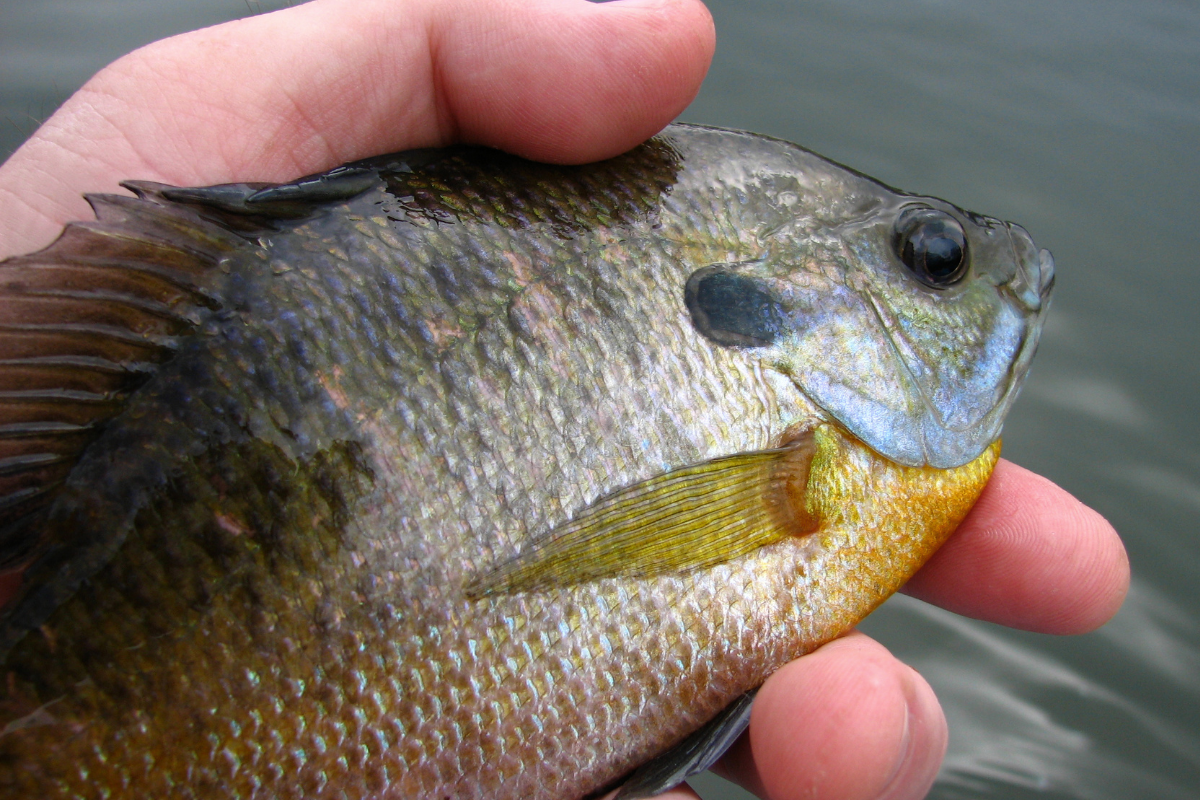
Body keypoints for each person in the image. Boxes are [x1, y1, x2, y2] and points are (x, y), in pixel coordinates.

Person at [0, 1, 1128, 798]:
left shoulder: (837, 468)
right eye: (931, 256)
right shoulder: (820, 469)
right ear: (789, 296)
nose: (998, 270)